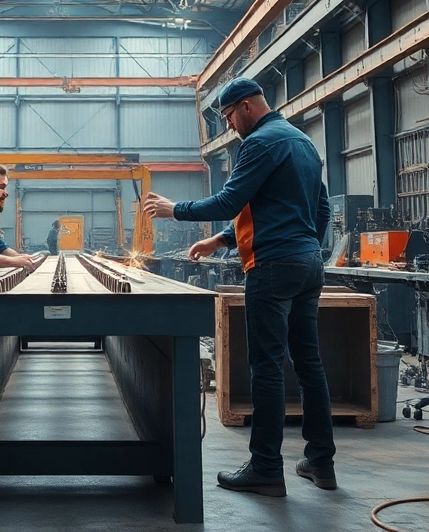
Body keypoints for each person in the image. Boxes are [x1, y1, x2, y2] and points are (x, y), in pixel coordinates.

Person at [143, 77, 336, 497]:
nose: (230, 126)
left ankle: (266, 468)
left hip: (273, 267)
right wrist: (222, 240)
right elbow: (314, 210)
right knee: (309, 363)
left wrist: (176, 209)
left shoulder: (259, 143)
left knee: (266, 367)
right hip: (308, 264)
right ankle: (322, 462)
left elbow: (230, 200)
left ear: (247, 106)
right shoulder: (303, 142)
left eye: (229, 116)